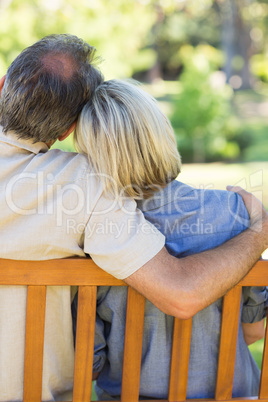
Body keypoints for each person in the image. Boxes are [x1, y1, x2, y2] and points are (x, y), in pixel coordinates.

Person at [0, 34, 267, 401]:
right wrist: (259, 232)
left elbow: (92, 356)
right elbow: (199, 302)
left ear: (2, 86)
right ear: (67, 132)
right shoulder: (84, 187)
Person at [73, 79, 268, 399]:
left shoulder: (95, 231)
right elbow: (253, 330)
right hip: (234, 396)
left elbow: (91, 362)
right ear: (162, 132)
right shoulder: (236, 213)